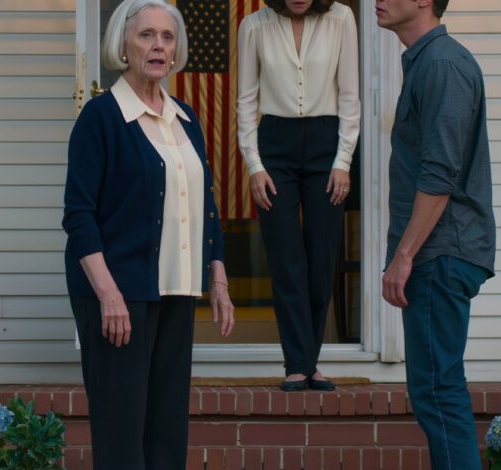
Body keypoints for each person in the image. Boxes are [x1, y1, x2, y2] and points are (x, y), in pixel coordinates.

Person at [62, 0, 235, 468]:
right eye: (146, 35)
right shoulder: (101, 117)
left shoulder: (186, 119)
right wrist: (108, 296)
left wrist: (217, 278)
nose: (158, 46)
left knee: (167, 431)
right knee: (122, 437)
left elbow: (206, 205)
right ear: (123, 45)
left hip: (177, 290)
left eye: (167, 37)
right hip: (119, 297)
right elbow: (78, 217)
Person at [377, 0, 496, 468]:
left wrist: (404, 256)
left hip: (440, 252)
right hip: (440, 251)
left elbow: (440, 172)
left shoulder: (443, 65)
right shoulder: (427, 62)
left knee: (438, 392)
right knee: (435, 389)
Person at [237, 0, 360, 392]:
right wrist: (254, 165)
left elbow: (350, 95)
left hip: (327, 144)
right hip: (275, 146)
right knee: (286, 258)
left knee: (321, 257)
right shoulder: (253, 25)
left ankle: (310, 360)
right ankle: (298, 364)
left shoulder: (341, 18)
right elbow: (246, 101)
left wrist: (343, 160)